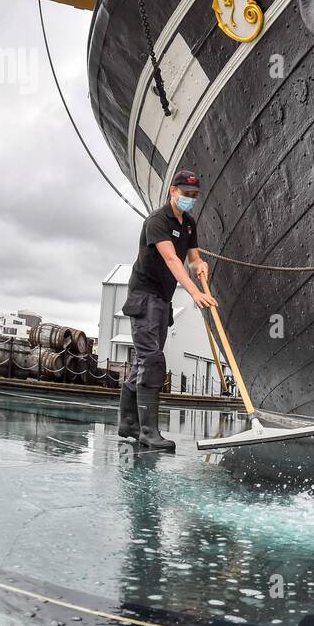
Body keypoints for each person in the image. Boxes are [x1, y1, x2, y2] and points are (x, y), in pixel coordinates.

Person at [117, 169, 215, 451]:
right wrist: (194, 293)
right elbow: (172, 259)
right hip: (144, 295)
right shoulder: (157, 221)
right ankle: (148, 432)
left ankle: (128, 423)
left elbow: (191, 257)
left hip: (162, 299)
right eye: (186, 194)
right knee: (152, 360)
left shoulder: (189, 224)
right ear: (173, 191)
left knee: (143, 362)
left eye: (194, 196)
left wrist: (199, 265)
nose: (190, 199)